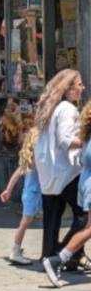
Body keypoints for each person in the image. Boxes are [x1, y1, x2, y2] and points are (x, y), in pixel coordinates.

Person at [33, 69, 86, 271]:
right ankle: (63, 254)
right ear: (69, 88)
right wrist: (84, 142)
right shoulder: (67, 109)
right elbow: (65, 140)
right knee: (84, 217)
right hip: (65, 171)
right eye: (80, 84)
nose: (83, 88)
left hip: (49, 171)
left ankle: (50, 255)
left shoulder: (52, 107)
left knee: (52, 217)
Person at [43, 100, 91, 287]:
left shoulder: (86, 136)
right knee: (88, 229)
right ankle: (57, 259)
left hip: (85, 184)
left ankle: (58, 259)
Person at [0, 129, 41, 265]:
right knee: (25, 222)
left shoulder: (28, 159)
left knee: (25, 221)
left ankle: (16, 249)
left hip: (31, 193)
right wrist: (7, 190)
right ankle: (15, 251)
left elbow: (16, 175)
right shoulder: (35, 159)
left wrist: (8, 190)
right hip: (33, 194)